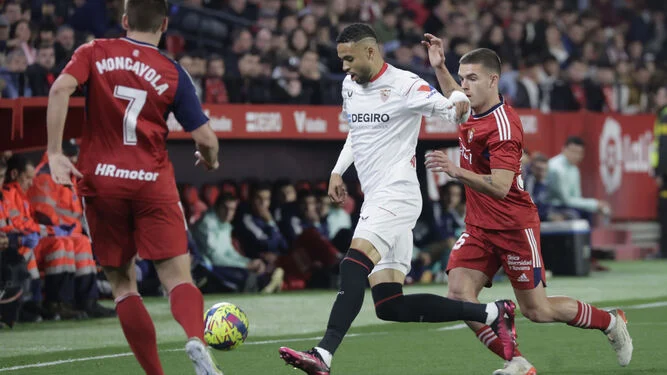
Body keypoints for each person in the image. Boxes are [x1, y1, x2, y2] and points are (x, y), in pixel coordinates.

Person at [278, 24, 517, 375]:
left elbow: (456, 113)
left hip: (397, 194)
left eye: (349, 58)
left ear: (371, 53)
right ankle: (492, 313)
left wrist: (458, 98)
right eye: (340, 59)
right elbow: (356, 133)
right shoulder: (350, 86)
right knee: (389, 305)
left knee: (352, 264)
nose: (343, 67)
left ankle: (323, 354)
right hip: (376, 197)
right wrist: (337, 170)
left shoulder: (405, 85)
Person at [423, 39, 632, 375]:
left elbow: (502, 188)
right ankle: (517, 361)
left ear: (493, 81)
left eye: (471, 79)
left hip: (513, 226)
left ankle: (610, 321)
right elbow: (454, 97)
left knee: (538, 310)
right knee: (459, 297)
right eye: (462, 78)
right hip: (479, 226)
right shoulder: (470, 106)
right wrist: (439, 67)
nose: (463, 86)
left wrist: (456, 170)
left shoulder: (503, 127)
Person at [44, 0, 222, 374]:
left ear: (125, 20)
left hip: (101, 181)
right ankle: (194, 336)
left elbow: (60, 88)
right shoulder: (172, 72)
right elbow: (205, 137)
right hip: (151, 182)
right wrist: (209, 160)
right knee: (177, 278)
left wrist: (55, 152)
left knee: (123, 286)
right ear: (165, 25)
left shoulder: (94, 51)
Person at [546, 137, 611, 222]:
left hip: (568, 205)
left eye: (579, 153)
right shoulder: (555, 168)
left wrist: (595, 206)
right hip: (552, 206)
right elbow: (565, 200)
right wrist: (594, 204)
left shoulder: (574, 169)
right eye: (573, 152)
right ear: (564, 149)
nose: (576, 156)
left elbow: (576, 197)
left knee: (588, 212)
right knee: (577, 214)